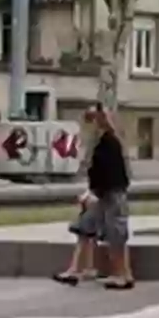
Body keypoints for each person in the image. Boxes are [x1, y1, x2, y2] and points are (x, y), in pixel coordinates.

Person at [54, 104, 134, 290]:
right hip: (103, 195)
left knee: (116, 236)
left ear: (97, 123)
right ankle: (75, 270)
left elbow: (111, 174)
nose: (85, 127)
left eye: (88, 122)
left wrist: (94, 193)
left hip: (111, 196)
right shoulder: (100, 143)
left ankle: (123, 275)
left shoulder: (109, 143)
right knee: (84, 228)